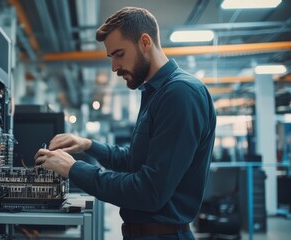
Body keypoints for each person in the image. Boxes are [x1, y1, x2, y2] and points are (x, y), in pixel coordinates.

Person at [34, 6, 216, 240]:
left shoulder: (181, 93)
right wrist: (87, 145)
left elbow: (150, 191)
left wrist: (74, 169)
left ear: (145, 42)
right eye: (111, 57)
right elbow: (134, 162)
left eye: (119, 54)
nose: (114, 67)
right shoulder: (155, 93)